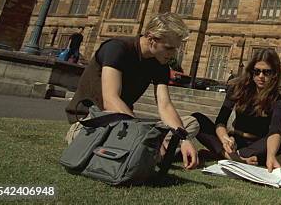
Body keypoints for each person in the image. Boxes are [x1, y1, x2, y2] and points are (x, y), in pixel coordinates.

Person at [64, 13, 200, 170]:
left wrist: (183, 138)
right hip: (93, 121)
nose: (173, 54)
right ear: (151, 39)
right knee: (139, 139)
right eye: (169, 48)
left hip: (125, 123)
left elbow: (165, 105)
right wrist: (143, 133)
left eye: (175, 48)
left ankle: (147, 148)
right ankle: (146, 148)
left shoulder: (160, 63)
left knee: (191, 124)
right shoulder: (117, 48)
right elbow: (111, 99)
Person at [192, 48, 281, 172]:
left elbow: (274, 132)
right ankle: (234, 157)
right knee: (197, 119)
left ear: (274, 74)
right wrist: (225, 139)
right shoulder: (237, 89)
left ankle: (227, 156)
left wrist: (270, 156)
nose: (261, 76)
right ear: (251, 71)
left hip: (257, 145)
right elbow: (221, 121)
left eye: (266, 72)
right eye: (257, 71)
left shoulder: (278, 103)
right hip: (234, 139)